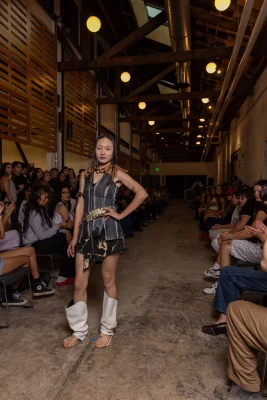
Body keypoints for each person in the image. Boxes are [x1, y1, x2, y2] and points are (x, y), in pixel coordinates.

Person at [63, 133, 148, 349]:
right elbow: (80, 206)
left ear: (113, 152)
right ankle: (79, 330)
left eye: (108, 148)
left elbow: (141, 193)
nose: (103, 152)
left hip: (108, 230)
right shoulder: (85, 174)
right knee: (80, 282)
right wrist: (74, 236)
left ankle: (107, 330)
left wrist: (121, 214)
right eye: (99, 148)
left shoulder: (117, 173)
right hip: (86, 232)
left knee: (107, 280)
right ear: (95, 150)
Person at [20, 186, 75, 286]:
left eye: (48, 198)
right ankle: (65, 276)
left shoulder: (40, 209)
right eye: (44, 198)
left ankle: (65, 275)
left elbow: (51, 226)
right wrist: (60, 226)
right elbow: (42, 235)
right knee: (65, 241)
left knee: (67, 242)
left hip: (39, 242)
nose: (47, 200)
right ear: (37, 197)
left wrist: (64, 230)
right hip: (33, 246)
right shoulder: (33, 211)